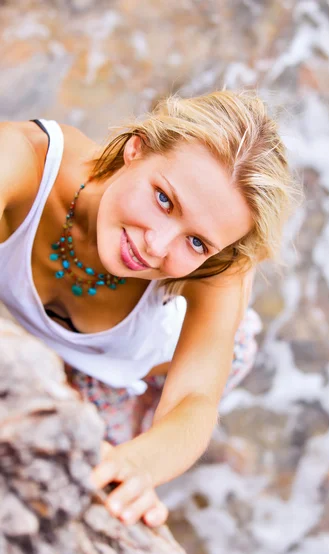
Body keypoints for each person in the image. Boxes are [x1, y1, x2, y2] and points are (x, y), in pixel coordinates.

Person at [0, 90, 296, 529]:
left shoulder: (218, 269)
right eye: (164, 199)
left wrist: (141, 464)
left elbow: (193, 399)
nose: (154, 245)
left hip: (143, 364)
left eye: (197, 241)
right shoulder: (22, 161)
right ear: (133, 150)